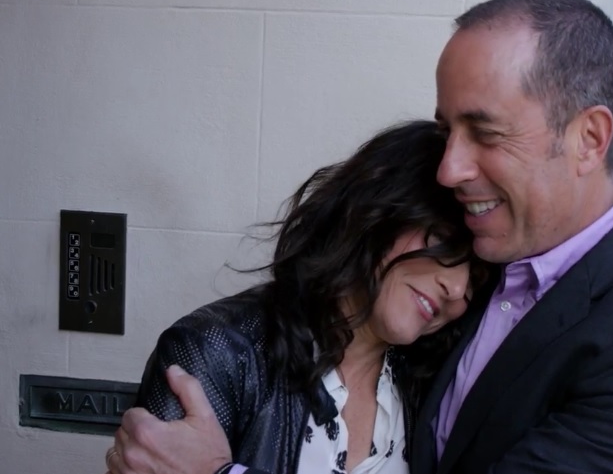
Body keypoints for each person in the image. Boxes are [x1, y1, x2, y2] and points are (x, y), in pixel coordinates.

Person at [106, 0, 613, 474]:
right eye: (446, 131)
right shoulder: (487, 272)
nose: (449, 168)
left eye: (485, 133)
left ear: (589, 138)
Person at [104, 120, 489, 474]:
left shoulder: (435, 388)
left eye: (475, 278)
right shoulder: (218, 353)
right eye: (442, 242)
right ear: (376, 210)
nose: (456, 289)